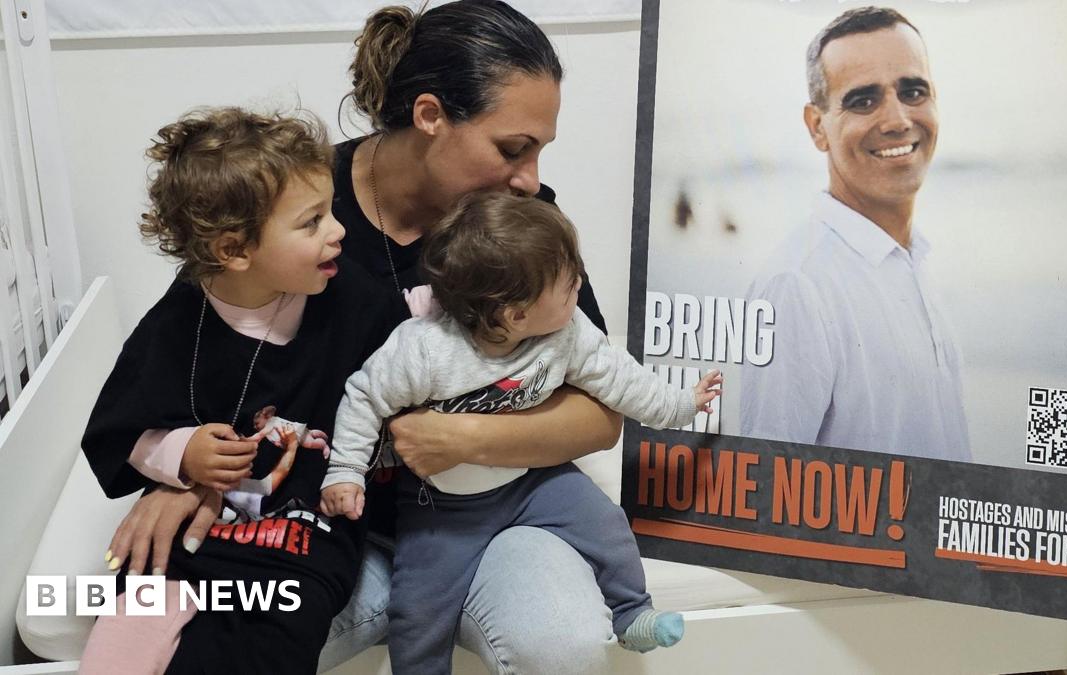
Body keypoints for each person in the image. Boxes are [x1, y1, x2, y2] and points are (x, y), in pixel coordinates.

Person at [102, 2, 632, 672]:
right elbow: (196, 357)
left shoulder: (522, 223)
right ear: (431, 115)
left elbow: (599, 412)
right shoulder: (290, 201)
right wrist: (182, 467)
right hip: (321, 519)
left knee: (565, 641)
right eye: (511, 148)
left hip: (488, 512)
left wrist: (463, 439)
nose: (529, 178)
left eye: (539, 151)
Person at [323, 193, 720, 672]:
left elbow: (622, 381)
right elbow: (364, 398)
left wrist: (682, 404)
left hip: (533, 484)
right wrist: (345, 471)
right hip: (443, 508)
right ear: (515, 315)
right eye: (570, 284)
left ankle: (632, 611)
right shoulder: (425, 350)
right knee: (418, 609)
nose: (580, 288)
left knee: (607, 524)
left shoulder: (567, 332)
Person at [78, 107, 401, 673]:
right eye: (312, 221)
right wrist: (185, 454)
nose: (339, 231)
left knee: (267, 645)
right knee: (126, 638)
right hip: (189, 534)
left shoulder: (357, 300)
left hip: (300, 539)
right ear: (234, 251)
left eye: (331, 211)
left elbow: (411, 368)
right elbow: (120, 429)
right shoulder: (182, 319)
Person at [740, 6, 971, 462]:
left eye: (913, 91)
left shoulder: (913, 259)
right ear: (817, 127)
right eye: (863, 100)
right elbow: (765, 493)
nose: (897, 119)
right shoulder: (798, 286)